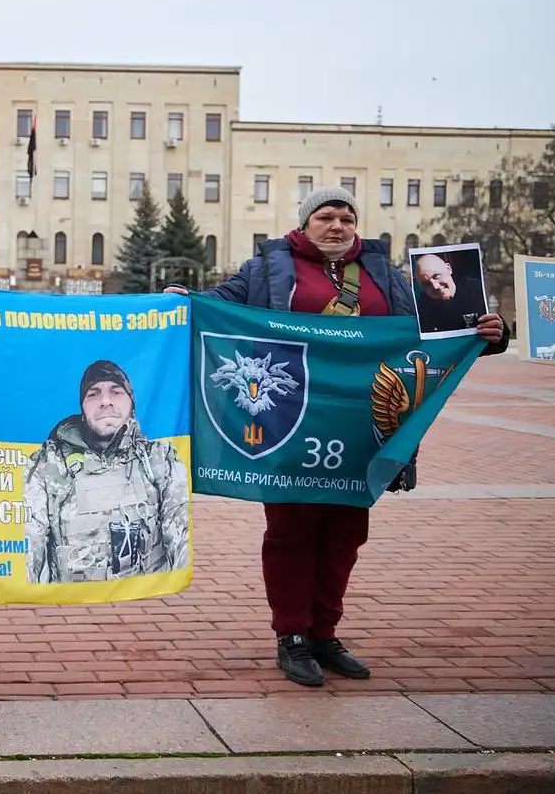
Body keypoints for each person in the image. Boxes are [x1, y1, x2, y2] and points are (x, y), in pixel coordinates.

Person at [166, 186, 509, 687]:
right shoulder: (265, 270)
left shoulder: (384, 275)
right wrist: (183, 304)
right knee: (291, 529)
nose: (337, 226)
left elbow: (441, 326)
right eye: (325, 217)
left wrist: (488, 332)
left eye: (346, 218)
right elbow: (219, 306)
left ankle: (325, 634)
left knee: (347, 532)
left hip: (359, 423)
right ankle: (292, 636)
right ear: (304, 224)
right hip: (288, 421)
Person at [24, 360, 190, 584]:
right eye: (93, 394)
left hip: (144, 605)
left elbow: (182, 532)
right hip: (73, 608)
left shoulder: (160, 460)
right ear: (82, 409)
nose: (105, 401)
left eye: (116, 391)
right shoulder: (48, 466)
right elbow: (28, 544)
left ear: (132, 405)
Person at [413, 252, 486, 334]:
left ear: (449, 269)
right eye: (427, 284)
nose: (435, 286)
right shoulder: (423, 305)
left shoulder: (476, 290)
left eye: (436, 276)